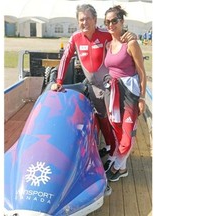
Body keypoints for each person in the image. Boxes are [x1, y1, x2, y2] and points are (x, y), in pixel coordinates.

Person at [50, 4, 137, 196]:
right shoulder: (75, 37)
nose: (84, 22)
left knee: (114, 121)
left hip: (109, 85)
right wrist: (58, 81)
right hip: (93, 86)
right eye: (81, 19)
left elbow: (122, 38)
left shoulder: (105, 33)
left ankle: (116, 156)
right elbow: (66, 58)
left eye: (87, 18)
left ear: (95, 19)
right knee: (101, 117)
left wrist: (133, 36)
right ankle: (109, 147)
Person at [102, 5, 147, 182]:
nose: (110, 24)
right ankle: (123, 169)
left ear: (122, 22)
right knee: (118, 132)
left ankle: (116, 166)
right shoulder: (108, 43)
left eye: (114, 20)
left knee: (127, 137)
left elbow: (142, 72)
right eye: (107, 21)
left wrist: (142, 97)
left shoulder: (131, 43)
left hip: (129, 94)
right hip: (113, 93)